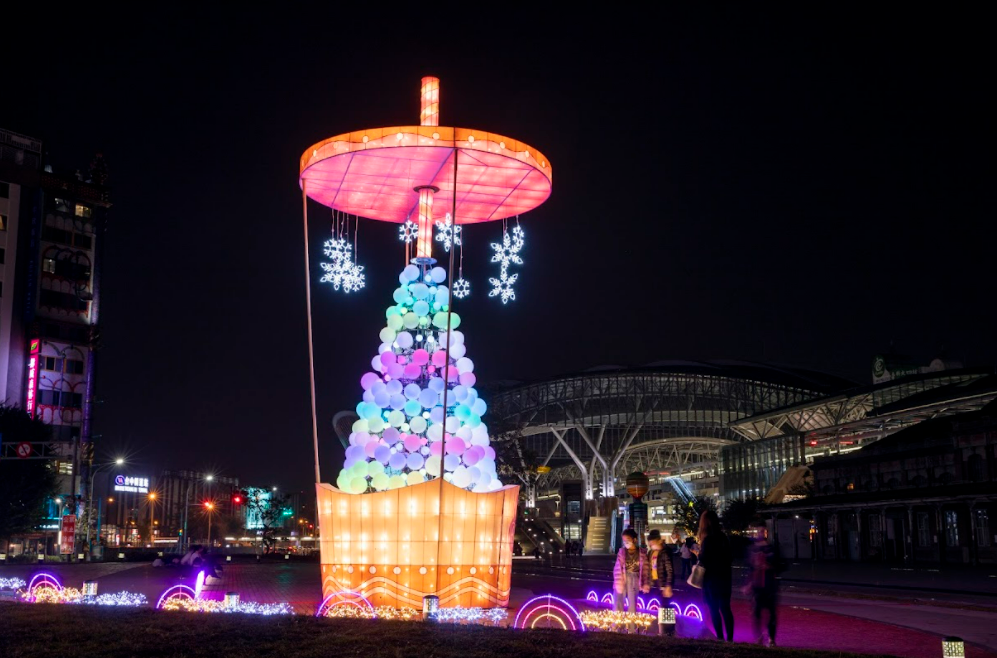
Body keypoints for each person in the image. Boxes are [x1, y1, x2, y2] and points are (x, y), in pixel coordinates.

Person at [693, 510, 734, 642]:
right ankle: (730, 639)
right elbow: (729, 557)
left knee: (714, 609)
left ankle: (720, 638)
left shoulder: (707, 540)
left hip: (711, 580)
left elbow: (705, 559)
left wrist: (697, 553)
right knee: (726, 609)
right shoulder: (723, 537)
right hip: (725, 578)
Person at [745, 520, 782, 646]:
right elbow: (748, 567)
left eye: (763, 531)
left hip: (770, 584)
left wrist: (770, 566)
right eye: (758, 531)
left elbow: (781, 565)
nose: (760, 533)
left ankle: (771, 639)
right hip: (757, 585)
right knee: (756, 612)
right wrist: (747, 584)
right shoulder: (752, 549)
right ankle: (759, 637)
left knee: (771, 613)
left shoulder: (772, 548)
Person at [612, 528, 649, 632]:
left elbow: (645, 569)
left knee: (632, 605)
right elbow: (617, 568)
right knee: (618, 603)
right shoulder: (622, 552)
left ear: (634, 539)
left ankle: (632, 630)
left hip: (635, 579)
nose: (626, 542)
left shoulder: (641, 553)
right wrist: (618, 581)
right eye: (624, 540)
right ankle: (616, 628)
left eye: (628, 539)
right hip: (622, 579)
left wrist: (646, 583)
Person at [646, 529, 674, 635]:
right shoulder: (651, 552)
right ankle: (662, 629)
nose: (651, 545)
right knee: (660, 606)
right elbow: (649, 568)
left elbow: (670, 570)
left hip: (663, 584)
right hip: (655, 583)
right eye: (650, 544)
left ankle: (668, 631)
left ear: (658, 541)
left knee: (666, 606)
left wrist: (668, 585)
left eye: (652, 543)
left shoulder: (665, 552)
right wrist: (648, 582)